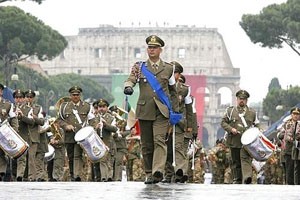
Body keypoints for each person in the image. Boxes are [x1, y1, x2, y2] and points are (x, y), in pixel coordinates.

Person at [124, 35, 179, 184]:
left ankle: (157, 171)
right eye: (149, 47)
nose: (151, 50)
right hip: (144, 110)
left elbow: (173, 92)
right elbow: (131, 79)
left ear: (160, 50)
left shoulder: (169, 68)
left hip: (162, 111)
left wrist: (175, 111)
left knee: (159, 140)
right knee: (147, 145)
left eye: (154, 47)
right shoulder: (139, 67)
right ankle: (149, 172)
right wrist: (128, 86)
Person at [57, 86, 97, 181]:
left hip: (82, 137)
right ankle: (72, 174)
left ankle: (77, 175)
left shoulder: (87, 106)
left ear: (80, 95)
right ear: (70, 95)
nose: (75, 96)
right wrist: (66, 126)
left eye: (77, 95)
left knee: (77, 155)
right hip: (69, 136)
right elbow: (60, 120)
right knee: (70, 156)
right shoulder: (64, 106)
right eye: (73, 95)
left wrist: (89, 130)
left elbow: (92, 120)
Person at [221, 89, 260, 184]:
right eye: (240, 98)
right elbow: (223, 122)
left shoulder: (252, 112)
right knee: (235, 162)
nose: (241, 100)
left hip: (247, 143)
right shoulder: (230, 111)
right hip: (234, 140)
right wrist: (231, 129)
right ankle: (237, 179)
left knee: (246, 160)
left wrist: (256, 133)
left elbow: (257, 125)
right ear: (237, 99)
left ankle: (247, 178)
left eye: (244, 99)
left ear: (247, 100)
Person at [163, 62, 193, 183]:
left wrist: (190, 125)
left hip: (178, 122)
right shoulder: (162, 86)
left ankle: (180, 171)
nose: (172, 75)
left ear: (178, 74)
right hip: (164, 122)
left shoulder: (184, 89)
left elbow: (189, 108)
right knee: (166, 149)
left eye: (174, 72)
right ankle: (168, 174)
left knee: (178, 148)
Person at [94, 99, 118, 182]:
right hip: (99, 142)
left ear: (107, 108)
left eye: (104, 107)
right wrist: (95, 127)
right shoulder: (94, 118)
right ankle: (104, 177)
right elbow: (89, 129)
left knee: (110, 161)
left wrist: (106, 125)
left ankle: (109, 176)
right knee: (102, 160)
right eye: (100, 107)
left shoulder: (111, 118)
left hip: (109, 142)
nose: (101, 109)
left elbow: (115, 129)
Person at [14, 89, 34, 181]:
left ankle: (19, 176)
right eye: (17, 98)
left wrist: (22, 116)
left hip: (23, 136)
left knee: (22, 157)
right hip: (13, 136)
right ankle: (14, 175)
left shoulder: (28, 109)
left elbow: (31, 122)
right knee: (13, 157)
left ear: (23, 99)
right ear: (14, 99)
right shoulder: (10, 108)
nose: (19, 99)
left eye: (21, 97)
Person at [25, 90, 45, 181]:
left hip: (33, 136)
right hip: (23, 136)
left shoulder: (38, 108)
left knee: (31, 157)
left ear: (33, 98)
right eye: (27, 97)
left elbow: (41, 122)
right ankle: (22, 176)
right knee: (22, 158)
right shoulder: (20, 107)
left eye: (30, 97)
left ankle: (31, 177)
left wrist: (34, 116)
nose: (29, 99)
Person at [0, 84, 19, 181]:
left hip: (3, 133)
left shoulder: (8, 104)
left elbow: (13, 118)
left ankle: (1, 172)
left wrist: (14, 131)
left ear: (1, 92)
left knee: (2, 154)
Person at [278, 107, 300, 185]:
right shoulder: (286, 124)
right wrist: (285, 135)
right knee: (289, 170)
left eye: (297, 114)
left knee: (297, 170)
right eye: (294, 113)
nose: (296, 116)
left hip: (298, 151)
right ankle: (290, 186)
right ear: (291, 114)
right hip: (289, 150)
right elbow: (280, 135)